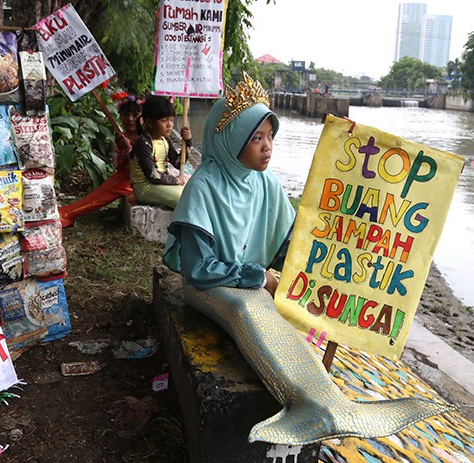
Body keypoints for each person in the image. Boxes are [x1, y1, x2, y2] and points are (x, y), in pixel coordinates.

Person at [163, 73, 453, 445]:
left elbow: (290, 246)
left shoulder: (265, 183)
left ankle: (329, 400)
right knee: (247, 307)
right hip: (208, 285)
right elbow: (199, 269)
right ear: (231, 139)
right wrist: (260, 278)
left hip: (250, 278)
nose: (267, 147)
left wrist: (325, 267)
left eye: (270, 137)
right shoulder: (203, 186)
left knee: (290, 306)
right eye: (256, 138)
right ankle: (307, 404)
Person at [58, 98, 142, 227]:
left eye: (135, 115)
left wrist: (128, 148)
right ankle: (66, 212)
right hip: (124, 176)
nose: (130, 119)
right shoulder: (124, 136)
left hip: (137, 179)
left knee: (99, 197)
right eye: (126, 115)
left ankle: (66, 214)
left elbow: (143, 165)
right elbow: (118, 166)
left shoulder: (145, 137)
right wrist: (121, 148)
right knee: (97, 195)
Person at [129, 95, 191, 210]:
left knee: (192, 194)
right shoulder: (143, 143)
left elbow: (177, 163)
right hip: (145, 187)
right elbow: (152, 175)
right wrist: (176, 180)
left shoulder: (165, 140)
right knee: (182, 199)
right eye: (164, 120)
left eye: (171, 120)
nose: (170, 125)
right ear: (149, 122)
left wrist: (187, 142)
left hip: (161, 184)